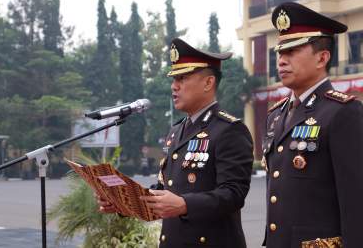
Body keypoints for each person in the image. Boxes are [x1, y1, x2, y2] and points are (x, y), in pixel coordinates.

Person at [97, 38, 254, 247]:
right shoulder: (176, 131)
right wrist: (122, 202)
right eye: (173, 79)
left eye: (182, 78)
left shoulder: (229, 130)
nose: (174, 86)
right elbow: (164, 189)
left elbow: (234, 194)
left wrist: (184, 204)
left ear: (208, 83)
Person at [262, 2, 363, 248]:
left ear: (322, 57)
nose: (282, 61)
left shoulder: (343, 113)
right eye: (280, 52)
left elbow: (356, 203)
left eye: (292, 52)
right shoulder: (276, 115)